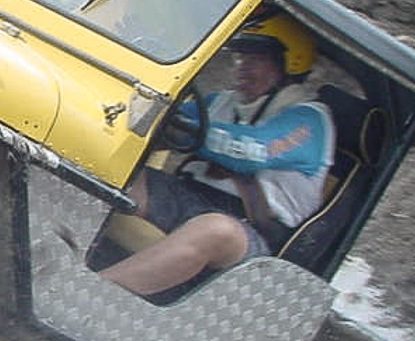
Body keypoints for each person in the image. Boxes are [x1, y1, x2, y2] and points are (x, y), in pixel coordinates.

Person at [100, 15, 334, 298]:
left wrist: (187, 128)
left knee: (215, 230)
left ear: (290, 63)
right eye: (240, 57)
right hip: (187, 196)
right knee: (116, 174)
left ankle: (90, 291)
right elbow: (160, 123)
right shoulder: (222, 102)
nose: (242, 68)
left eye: (255, 59)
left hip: (251, 235)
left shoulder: (310, 119)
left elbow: (250, 152)